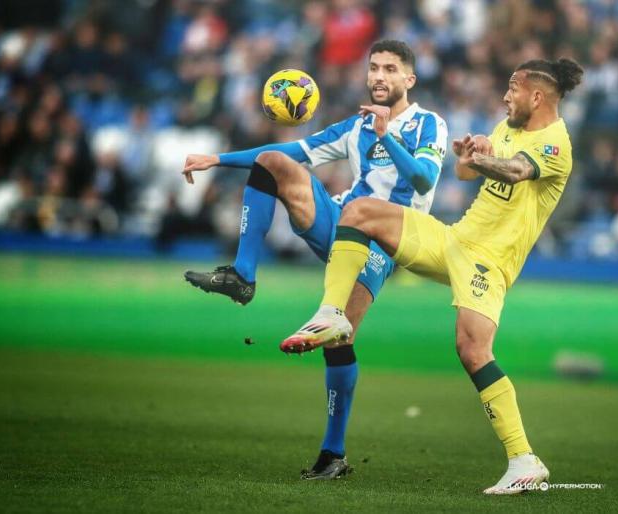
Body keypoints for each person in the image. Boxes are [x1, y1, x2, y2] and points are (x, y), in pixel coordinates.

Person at [281, 58, 583, 494]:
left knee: (472, 349)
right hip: (454, 241)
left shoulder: (556, 143)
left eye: (512, 89)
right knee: (359, 210)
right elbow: (463, 171)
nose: (504, 96)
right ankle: (332, 314)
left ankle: (524, 460)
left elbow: (516, 171)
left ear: (536, 96)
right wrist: (470, 154)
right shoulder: (507, 128)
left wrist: (484, 160)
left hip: (489, 261)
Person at [182, 40, 448, 479]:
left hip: (385, 241)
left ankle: (333, 455)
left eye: (389, 69)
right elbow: (295, 154)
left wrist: (387, 136)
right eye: (374, 68)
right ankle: (243, 275)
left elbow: (424, 178)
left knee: (340, 338)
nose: (379, 76)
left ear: (409, 79)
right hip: (341, 222)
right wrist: (216, 159)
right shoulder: (355, 126)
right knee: (270, 161)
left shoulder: (428, 124)